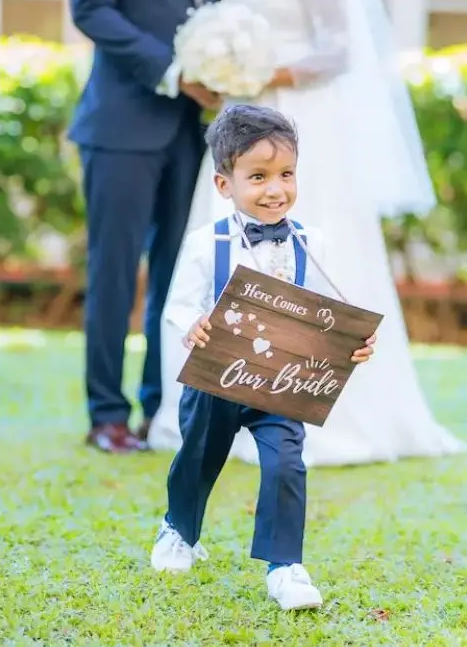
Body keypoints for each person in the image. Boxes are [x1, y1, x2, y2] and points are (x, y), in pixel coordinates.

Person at [149, 0, 465, 465]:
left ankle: (313, 404)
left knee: (310, 250)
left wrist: (261, 72)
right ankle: (217, 402)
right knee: (223, 248)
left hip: (302, 119)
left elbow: (338, 51)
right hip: (241, 124)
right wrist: (223, 71)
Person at [151, 105, 376, 609]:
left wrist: (352, 342)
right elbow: (178, 304)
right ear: (224, 184)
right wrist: (193, 323)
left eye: (286, 174)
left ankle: (284, 565)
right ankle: (179, 530)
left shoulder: (310, 242)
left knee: (286, 464)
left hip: (280, 383)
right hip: (216, 378)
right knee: (198, 457)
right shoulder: (206, 243)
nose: (276, 189)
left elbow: (328, 310)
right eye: (258, 177)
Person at [68, 0, 235, 453]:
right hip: (121, 123)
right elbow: (91, 6)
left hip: (196, 133)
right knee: (113, 272)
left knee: (180, 272)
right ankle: (106, 414)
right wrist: (173, 72)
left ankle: (162, 408)